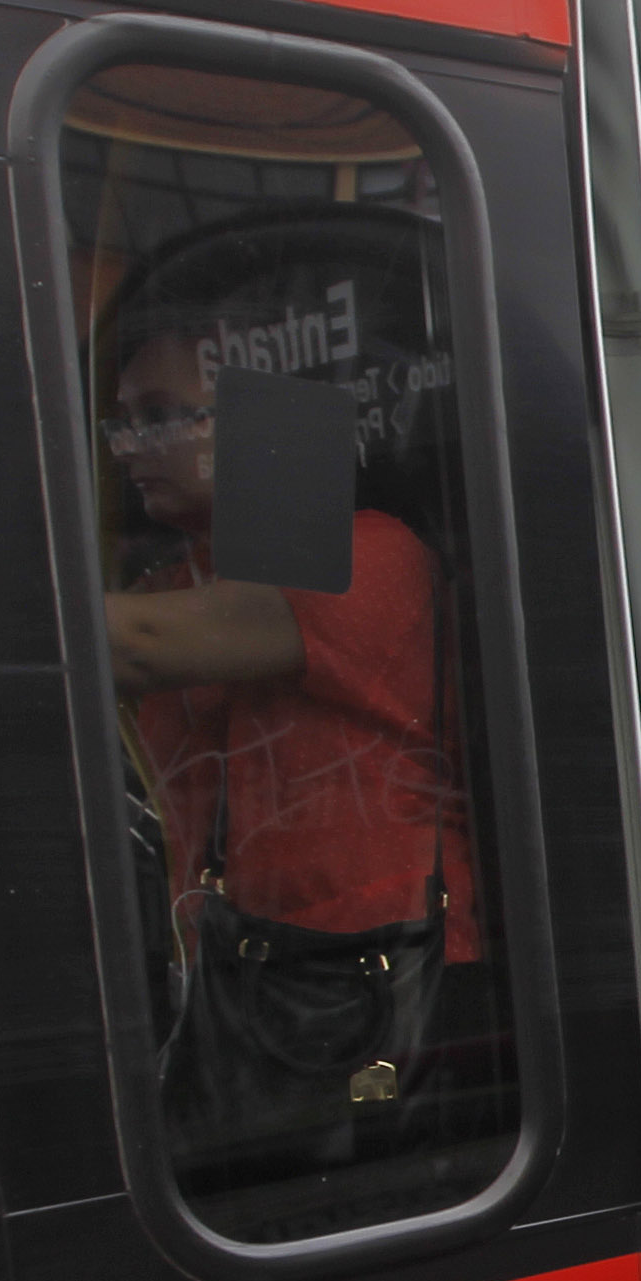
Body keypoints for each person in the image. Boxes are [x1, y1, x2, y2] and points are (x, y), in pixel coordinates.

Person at [100, 315, 482, 1163]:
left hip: (382, 985)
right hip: (242, 976)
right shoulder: (169, 581)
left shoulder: (371, 554)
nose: (132, 446)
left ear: (262, 415)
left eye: (161, 414)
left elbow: (137, 645)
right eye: (123, 421)